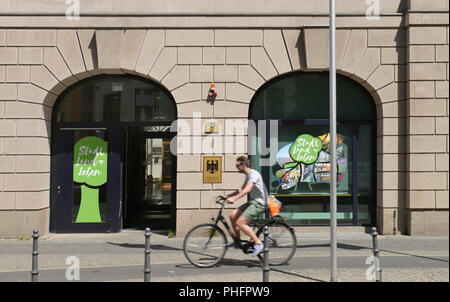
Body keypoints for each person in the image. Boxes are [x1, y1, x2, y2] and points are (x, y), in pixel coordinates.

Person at [223, 156, 268, 256]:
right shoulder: (248, 175)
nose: (236, 167)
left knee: (240, 222)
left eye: (238, 165)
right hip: (253, 202)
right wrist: (227, 196)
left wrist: (234, 199)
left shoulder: (253, 174)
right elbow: (241, 190)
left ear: (244, 165)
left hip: (260, 203)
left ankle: (258, 243)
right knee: (232, 215)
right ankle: (237, 241)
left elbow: (247, 190)